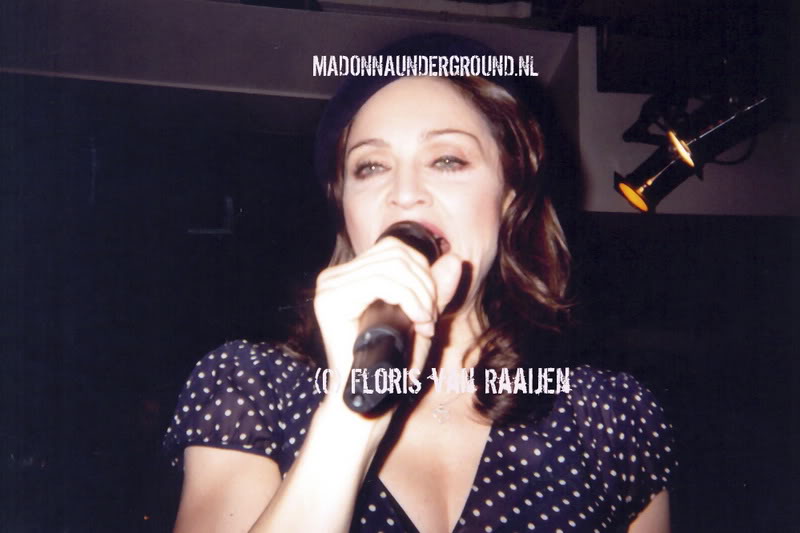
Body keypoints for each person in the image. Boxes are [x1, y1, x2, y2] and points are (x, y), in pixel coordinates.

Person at [163, 34, 676, 532]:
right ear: (346, 213)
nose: (404, 193)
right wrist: (353, 413)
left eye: (447, 160)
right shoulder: (251, 385)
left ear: (508, 197)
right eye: (371, 166)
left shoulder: (610, 414)